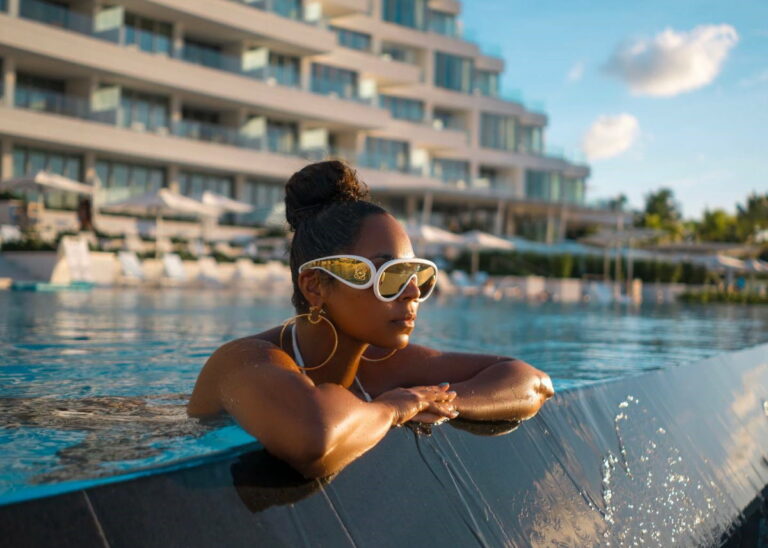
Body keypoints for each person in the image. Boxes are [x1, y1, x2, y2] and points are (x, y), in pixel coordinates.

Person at [188, 161, 554, 479]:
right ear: (315, 286)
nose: (412, 292)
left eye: (416, 274)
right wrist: (392, 408)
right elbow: (314, 439)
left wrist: (439, 403)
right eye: (390, 274)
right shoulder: (243, 363)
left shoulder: (378, 364)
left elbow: (533, 383)